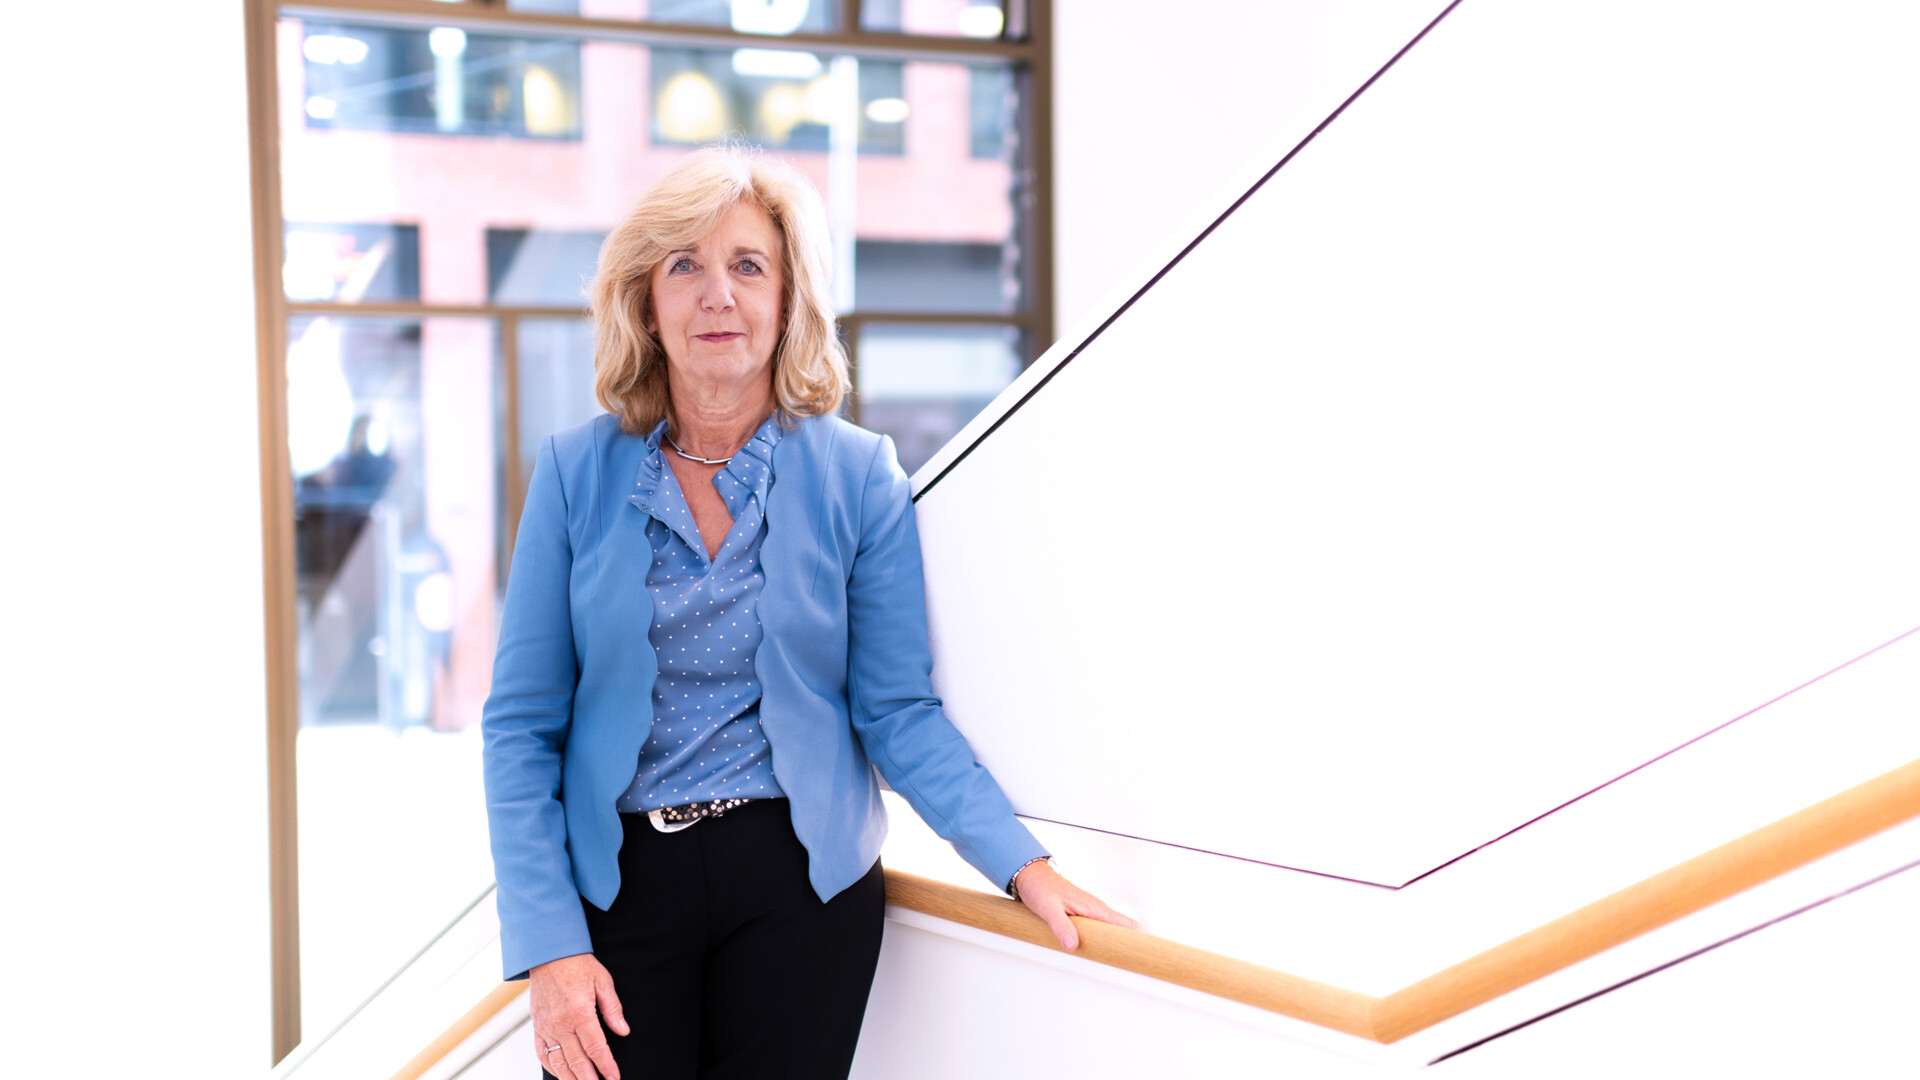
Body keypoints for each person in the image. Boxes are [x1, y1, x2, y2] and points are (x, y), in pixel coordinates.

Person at [481, 144, 1136, 1080]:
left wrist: (1022, 864)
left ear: (789, 301)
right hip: (615, 892)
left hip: (799, 886)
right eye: (685, 266)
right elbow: (519, 729)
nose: (718, 295)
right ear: (645, 302)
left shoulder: (859, 475)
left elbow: (896, 711)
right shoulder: (573, 473)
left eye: (748, 266)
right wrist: (548, 945)